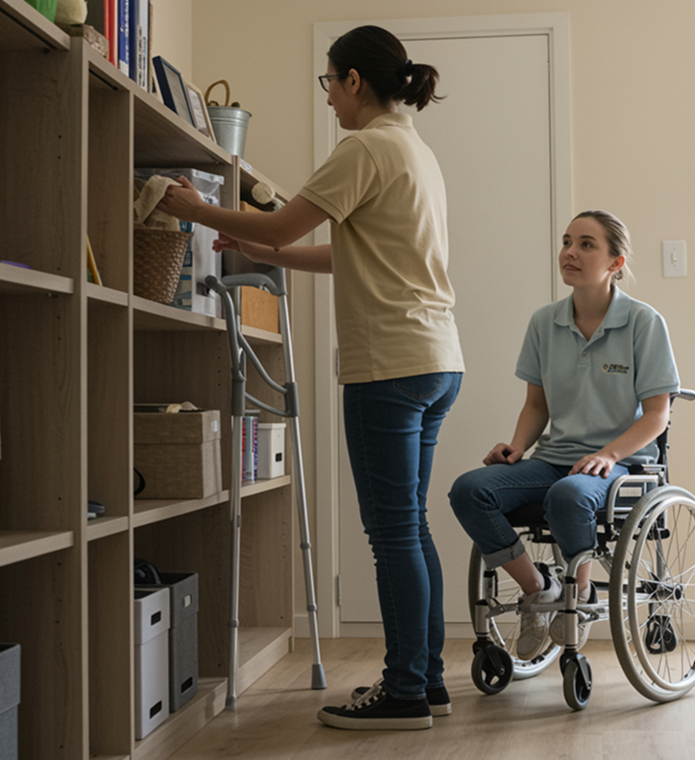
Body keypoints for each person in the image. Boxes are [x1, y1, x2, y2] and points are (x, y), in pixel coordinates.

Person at [156, 26, 463, 731]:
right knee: (410, 527)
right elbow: (349, 254)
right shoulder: (415, 151)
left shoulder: (364, 147)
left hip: (388, 365)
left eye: (328, 83)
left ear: (354, 80)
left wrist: (195, 208)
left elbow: (289, 221)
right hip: (438, 359)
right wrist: (262, 245)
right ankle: (427, 681)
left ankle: (404, 690)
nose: (327, 99)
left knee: (391, 534)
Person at [448, 210, 679, 658]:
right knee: (469, 490)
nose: (570, 252)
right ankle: (541, 591)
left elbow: (656, 416)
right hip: (554, 457)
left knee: (570, 495)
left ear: (616, 262)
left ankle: (583, 594)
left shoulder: (644, 323)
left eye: (587, 244)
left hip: (621, 466)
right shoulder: (544, 323)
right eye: (567, 241)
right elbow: (537, 405)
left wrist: (609, 455)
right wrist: (517, 447)